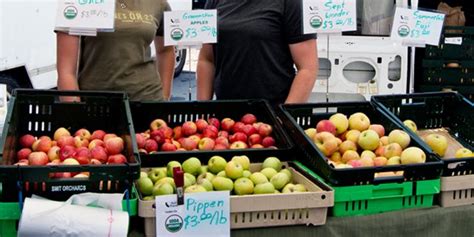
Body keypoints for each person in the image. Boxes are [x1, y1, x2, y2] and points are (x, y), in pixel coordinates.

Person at [196, 0, 318, 105]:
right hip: (225, 118)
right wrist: (203, 112)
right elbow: (207, 60)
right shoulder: (214, 1)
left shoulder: (290, 3)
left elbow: (307, 68)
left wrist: (284, 117)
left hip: (271, 115)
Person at [56, 0, 175, 101]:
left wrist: (164, 97)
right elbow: (66, 71)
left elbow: (166, 50)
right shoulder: (77, 3)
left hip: (148, 99)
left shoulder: (158, 3)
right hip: (96, 103)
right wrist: (75, 110)